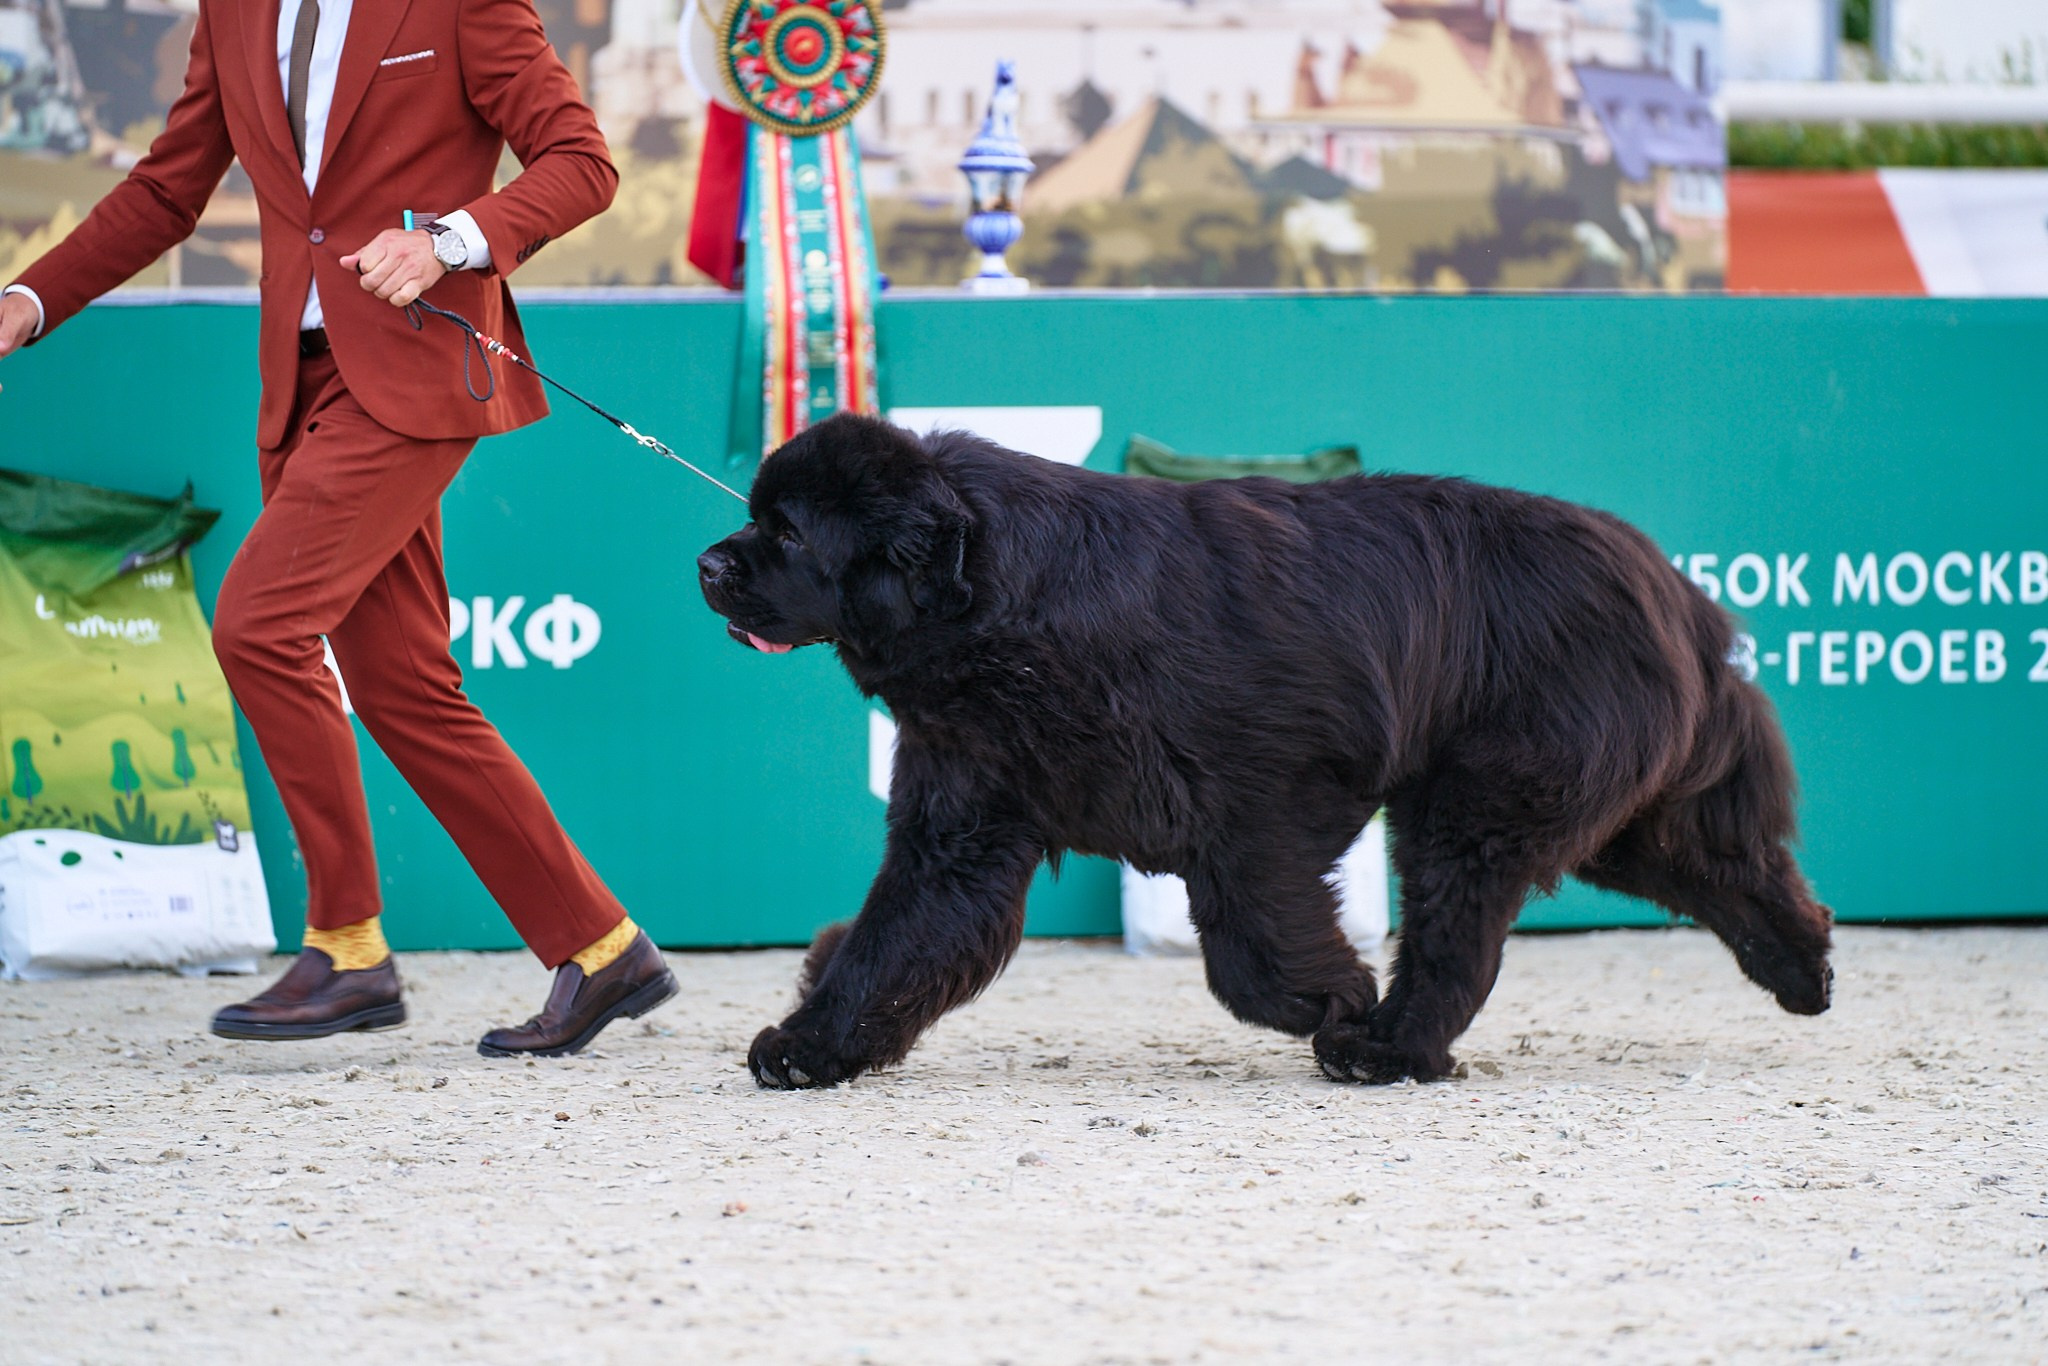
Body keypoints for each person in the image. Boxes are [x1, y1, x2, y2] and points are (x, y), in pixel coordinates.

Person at [0, 0, 676, 1056]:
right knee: (405, 689)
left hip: (416, 371)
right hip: (300, 385)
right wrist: (31, 297)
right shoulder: (231, 11)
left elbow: (582, 163)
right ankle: (601, 949)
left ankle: (348, 946)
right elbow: (169, 189)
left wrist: (448, 241)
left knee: (260, 625)